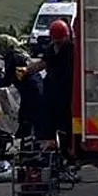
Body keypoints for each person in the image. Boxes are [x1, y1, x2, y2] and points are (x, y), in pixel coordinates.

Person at [23, 18, 74, 151]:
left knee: (65, 116)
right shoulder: (51, 48)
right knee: (46, 112)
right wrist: (27, 70)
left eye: (60, 40)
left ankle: (68, 144)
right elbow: (44, 63)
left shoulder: (72, 49)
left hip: (66, 87)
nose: (57, 43)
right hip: (51, 86)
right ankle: (50, 140)